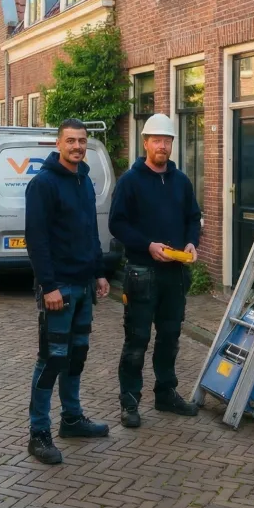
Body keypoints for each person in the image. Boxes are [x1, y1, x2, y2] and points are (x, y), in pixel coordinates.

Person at [24, 119, 112, 464]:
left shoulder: (84, 181)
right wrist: (49, 286)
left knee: (76, 356)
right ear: (58, 144)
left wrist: (100, 272)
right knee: (51, 359)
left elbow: (91, 231)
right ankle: (38, 432)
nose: (77, 146)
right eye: (71, 140)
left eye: (82, 141)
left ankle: (72, 419)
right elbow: (37, 239)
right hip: (58, 288)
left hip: (84, 285)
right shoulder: (43, 184)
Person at [109, 113, 202, 428]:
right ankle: (130, 402)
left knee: (170, 337)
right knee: (136, 340)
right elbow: (117, 223)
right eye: (157, 140)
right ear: (145, 142)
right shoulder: (130, 181)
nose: (163, 146)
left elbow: (193, 216)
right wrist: (147, 244)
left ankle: (165, 393)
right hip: (141, 273)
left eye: (168, 141)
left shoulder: (181, 181)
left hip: (175, 274)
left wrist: (191, 242)